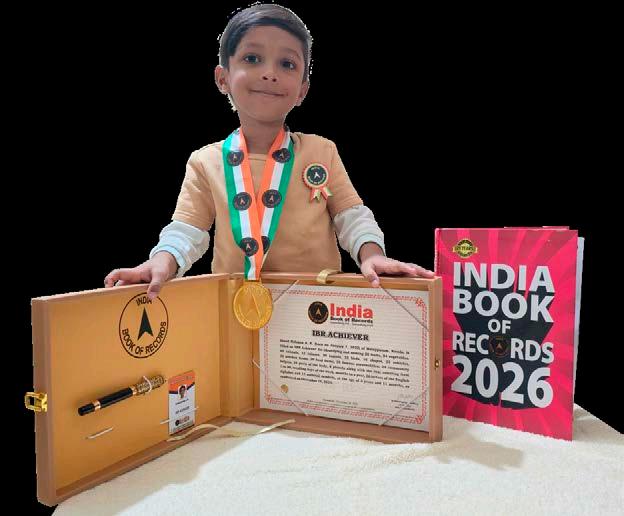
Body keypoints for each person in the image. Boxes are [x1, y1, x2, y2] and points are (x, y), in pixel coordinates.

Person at [104, 4, 433, 300]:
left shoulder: (322, 151)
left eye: (287, 64)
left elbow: (352, 216)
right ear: (222, 78)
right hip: (234, 307)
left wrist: (372, 256)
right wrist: (161, 262)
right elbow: (188, 230)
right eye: (252, 58)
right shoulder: (205, 161)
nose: (270, 73)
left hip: (316, 309)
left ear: (302, 90)